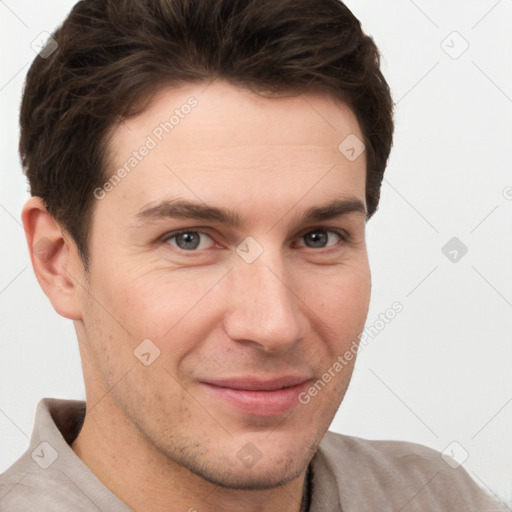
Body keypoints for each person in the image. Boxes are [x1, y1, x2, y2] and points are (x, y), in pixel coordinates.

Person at [0, 0, 505, 510]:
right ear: (58, 262)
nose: (274, 325)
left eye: (318, 237)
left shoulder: (440, 497)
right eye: (189, 239)